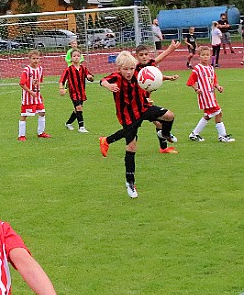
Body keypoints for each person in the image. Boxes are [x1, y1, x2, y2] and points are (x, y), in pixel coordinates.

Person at [99, 51, 176, 198]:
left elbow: (152, 77)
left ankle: (164, 134)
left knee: (169, 116)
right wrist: (108, 86)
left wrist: (164, 79)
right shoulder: (116, 77)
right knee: (132, 147)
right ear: (119, 69)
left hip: (143, 108)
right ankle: (130, 183)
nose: (128, 72)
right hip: (127, 116)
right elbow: (103, 80)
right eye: (125, 69)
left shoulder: (138, 74)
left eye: (131, 69)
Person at [134, 41, 180, 154]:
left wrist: (168, 77)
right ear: (137, 57)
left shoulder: (150, 65)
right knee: (130, 128)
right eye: (141, 55)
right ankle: (107, 140)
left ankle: (163, 148)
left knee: (159, 123)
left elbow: (155, 76)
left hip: (145, 102)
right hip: (136, 103)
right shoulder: (134, 68)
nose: (144, 57)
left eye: (146, 54)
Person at [187, 46, 235, 143]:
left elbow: (213, 81)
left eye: (207, 55)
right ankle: (222, 136)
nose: (205, 57)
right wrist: (196, 89)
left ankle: (194, 134)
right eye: (203, 55)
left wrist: (218, 87)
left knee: (208, 116)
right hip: (205, 96)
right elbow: (190, 82)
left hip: (212, 95)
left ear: (210, 56)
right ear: (199, 56)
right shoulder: (197, 69)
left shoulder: (210, 68)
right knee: (218, 112)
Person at [18, 50, 51, 141]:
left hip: (37, 97)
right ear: (29, 59)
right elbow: (21, 83)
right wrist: (30, 92)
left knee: (42, 113)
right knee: (24, 115)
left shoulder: (40, 69)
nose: (35, 60)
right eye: (33, 58)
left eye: (37, 58)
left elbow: (38, 82)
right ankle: (21, 135)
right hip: (28, 98)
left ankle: (41, 133)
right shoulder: (26, 70)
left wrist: (39, 94)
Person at [59, 49, 94, 133]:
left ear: (81, 57)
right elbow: (62, 81)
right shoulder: (69, 69)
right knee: (79, 107)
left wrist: (90, 77)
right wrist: (61, 89)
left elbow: (91, 78)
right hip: (74, 92)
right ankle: (81, 127)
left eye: (78, 56)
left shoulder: (83, 68)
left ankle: (68, 123)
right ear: (71, 58)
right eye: (74, 56)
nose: (76, 58)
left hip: (81, 92)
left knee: (77, 109)